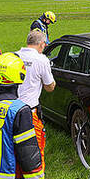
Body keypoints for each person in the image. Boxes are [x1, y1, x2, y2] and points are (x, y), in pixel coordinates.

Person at [16, 30, 56, 164]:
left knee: (12, 145)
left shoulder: (14, 56)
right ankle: (36, 175)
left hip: (10, 109)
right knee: (34, 148)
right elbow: (49, 87)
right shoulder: (42, 60)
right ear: (42, 44)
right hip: (30, 112)